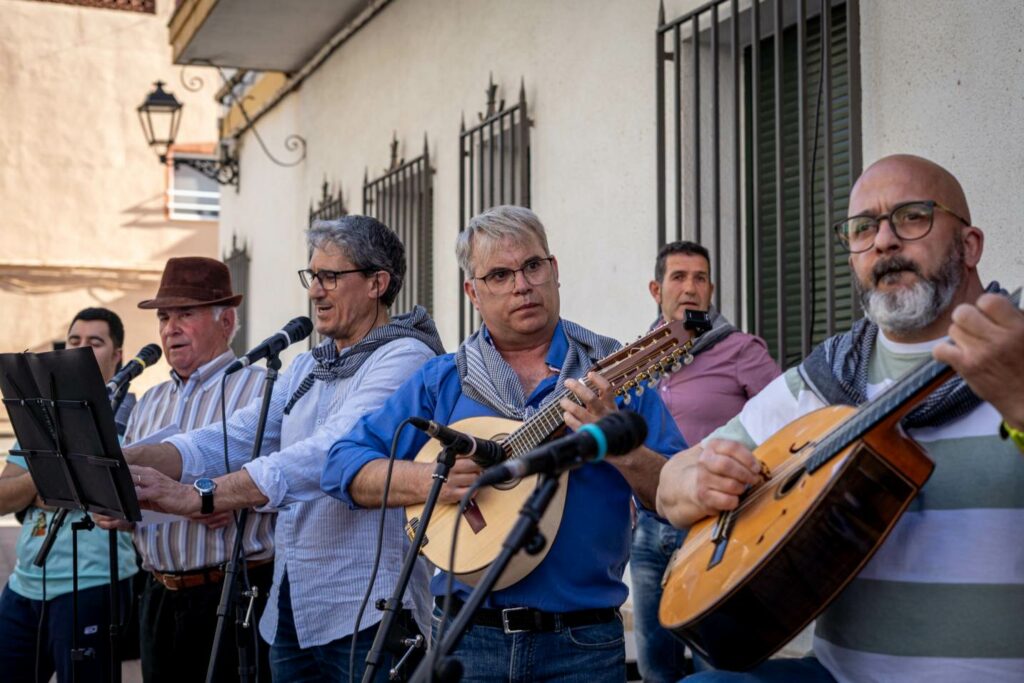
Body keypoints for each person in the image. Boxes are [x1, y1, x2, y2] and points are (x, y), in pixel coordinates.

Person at [656, 154, 1024, 682]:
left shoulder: (1016, 354)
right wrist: (694, 482)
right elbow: (671, 484)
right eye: (863, 227)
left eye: (912, 217)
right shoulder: (823, 380)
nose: (884, 241)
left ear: (969, 246)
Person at [323, 205, 686, 682]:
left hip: (582, 643)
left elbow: (678, 494)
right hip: (465, 639)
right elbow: (341, 466)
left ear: (554, 271)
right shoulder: (444, 381)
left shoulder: (611, 378)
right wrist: (427, 479)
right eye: (499, 275)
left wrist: (618, 444)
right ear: (473, 292)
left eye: (533, 266)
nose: (522, 285)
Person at [125, 216, 445, 682]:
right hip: (292, 607)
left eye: (331, 277)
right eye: (312, 276)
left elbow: (329, 452)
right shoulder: (309, 366)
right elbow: (232, 435)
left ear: (378, 283)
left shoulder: (404, 357)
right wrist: (122, 460)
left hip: (367, 607)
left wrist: (202, 496)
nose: (316, 290)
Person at [97, 256, 274, 682]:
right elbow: (135, 493)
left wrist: (236, 501)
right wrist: (117, 510)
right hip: (157, 595)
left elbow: (293, 481)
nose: (169, 328)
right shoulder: (149, 401)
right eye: (163, 316)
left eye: (186, 314)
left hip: (233, 594)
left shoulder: (260, 388)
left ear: (227, 321)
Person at [631, 242, 779, 682]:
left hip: (716, 530)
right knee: (656, 666)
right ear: (656, 288)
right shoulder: (636, 360)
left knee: (718, 665)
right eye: (678, 277)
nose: (690, 288)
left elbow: (784, 425)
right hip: (648, 531)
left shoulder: (741, 350)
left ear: (711, 289)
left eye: (700, 278)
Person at [0, 307, 140, 682]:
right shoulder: (38, 419)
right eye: (74, 340)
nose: (79, 349)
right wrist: (49, 479)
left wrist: (38, 482)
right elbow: (2, 495)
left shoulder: (134, 419)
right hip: (24, 584)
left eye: (94, 343)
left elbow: (124, 500)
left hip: (92, 586)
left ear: (118, 355)